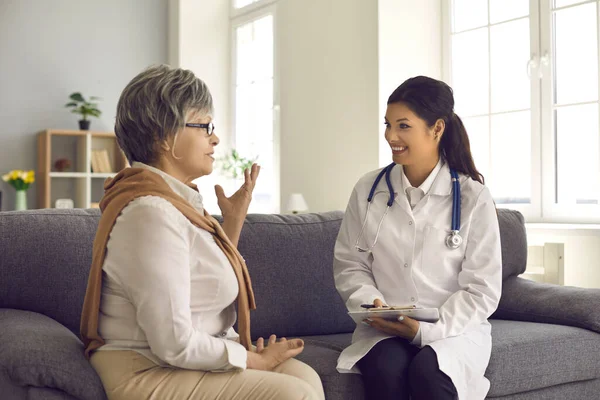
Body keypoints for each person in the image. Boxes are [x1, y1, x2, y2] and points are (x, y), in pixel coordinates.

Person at [80, 64, 324, 400]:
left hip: (175, 361)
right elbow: (174, 342)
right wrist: (250, 359)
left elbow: (199, 284)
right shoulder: (150, 213)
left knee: (304, 377)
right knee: (295, 394)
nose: (215, 137)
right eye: (203, 125)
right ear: (163, 137)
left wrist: (231, 225)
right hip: (146, 370)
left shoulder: (175, 204)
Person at [333, 76, 502, 400]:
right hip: (384, 329)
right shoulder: (369, 190)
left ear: (436, 129)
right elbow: (350, 263)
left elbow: (482, 288)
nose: (390, 136)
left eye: (403, 126)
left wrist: (427, 331)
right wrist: (371, 303)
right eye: (388, 125)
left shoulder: (472, 197)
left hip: (453, 330)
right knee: (386, 366)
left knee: (430, 370)